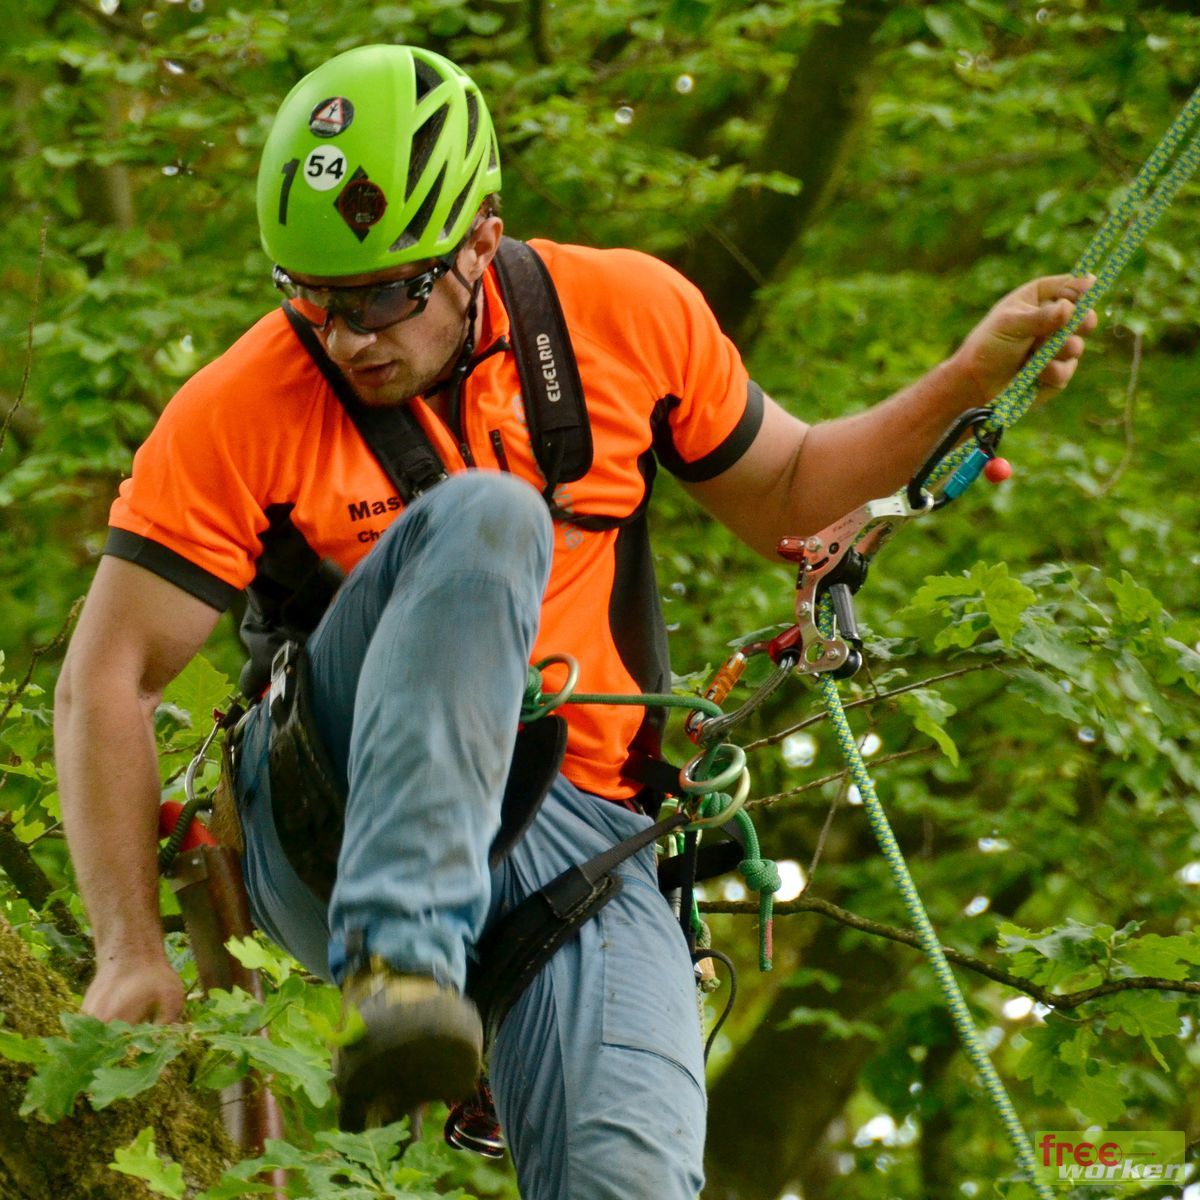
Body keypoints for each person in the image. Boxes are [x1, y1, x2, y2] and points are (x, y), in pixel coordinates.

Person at [53, 43, 1097, 1200]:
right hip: (333, 815)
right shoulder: (242, 409)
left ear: (482, 239)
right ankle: (398, 958)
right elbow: (110, 677)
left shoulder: (626, 315)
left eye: (386, 294)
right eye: (313, 297)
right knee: (488, 521)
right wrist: (128, 950)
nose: (349, 335)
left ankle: (442, 976)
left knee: (635, 1177)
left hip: (576, 845)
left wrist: (961, 382)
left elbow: (795, 494)